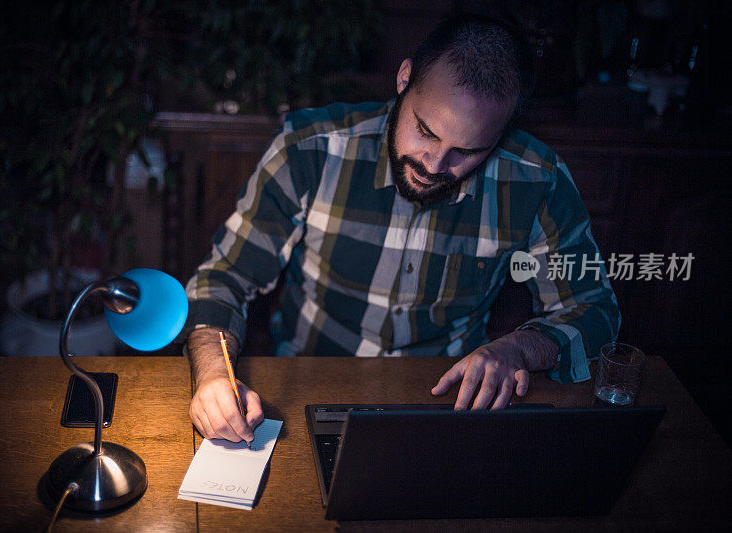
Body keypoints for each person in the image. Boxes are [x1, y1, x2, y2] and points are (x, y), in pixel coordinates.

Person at [183, 15, 620, 445]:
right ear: (404, 78)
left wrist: (518, 349)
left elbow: (595, 313)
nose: (434, 165)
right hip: (303, 393)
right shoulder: (311, 149)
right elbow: (223, 279)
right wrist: (215, 374)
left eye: (467, 152)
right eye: (425, 131)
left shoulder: (536, 179)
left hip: (445, 406)